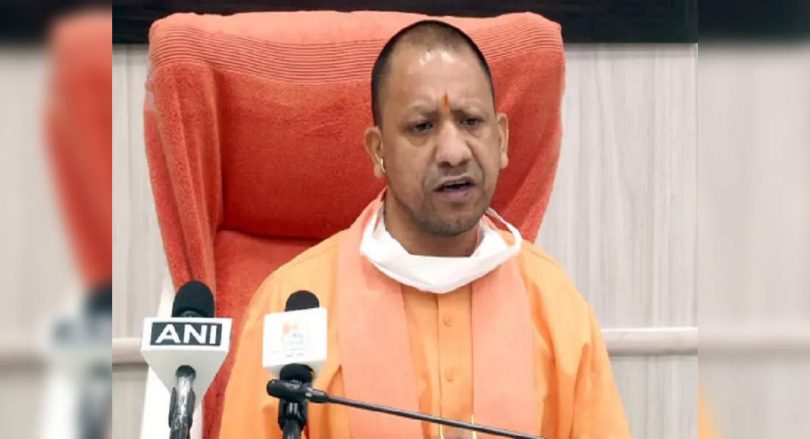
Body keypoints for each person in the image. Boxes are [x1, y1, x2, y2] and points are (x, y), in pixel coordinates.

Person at [219, 20, 630, 438]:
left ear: (502, 140)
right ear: (379, 152)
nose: (453, 152)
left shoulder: (554, 304)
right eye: (422, 126)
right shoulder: (293, 306)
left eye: (471, 121)